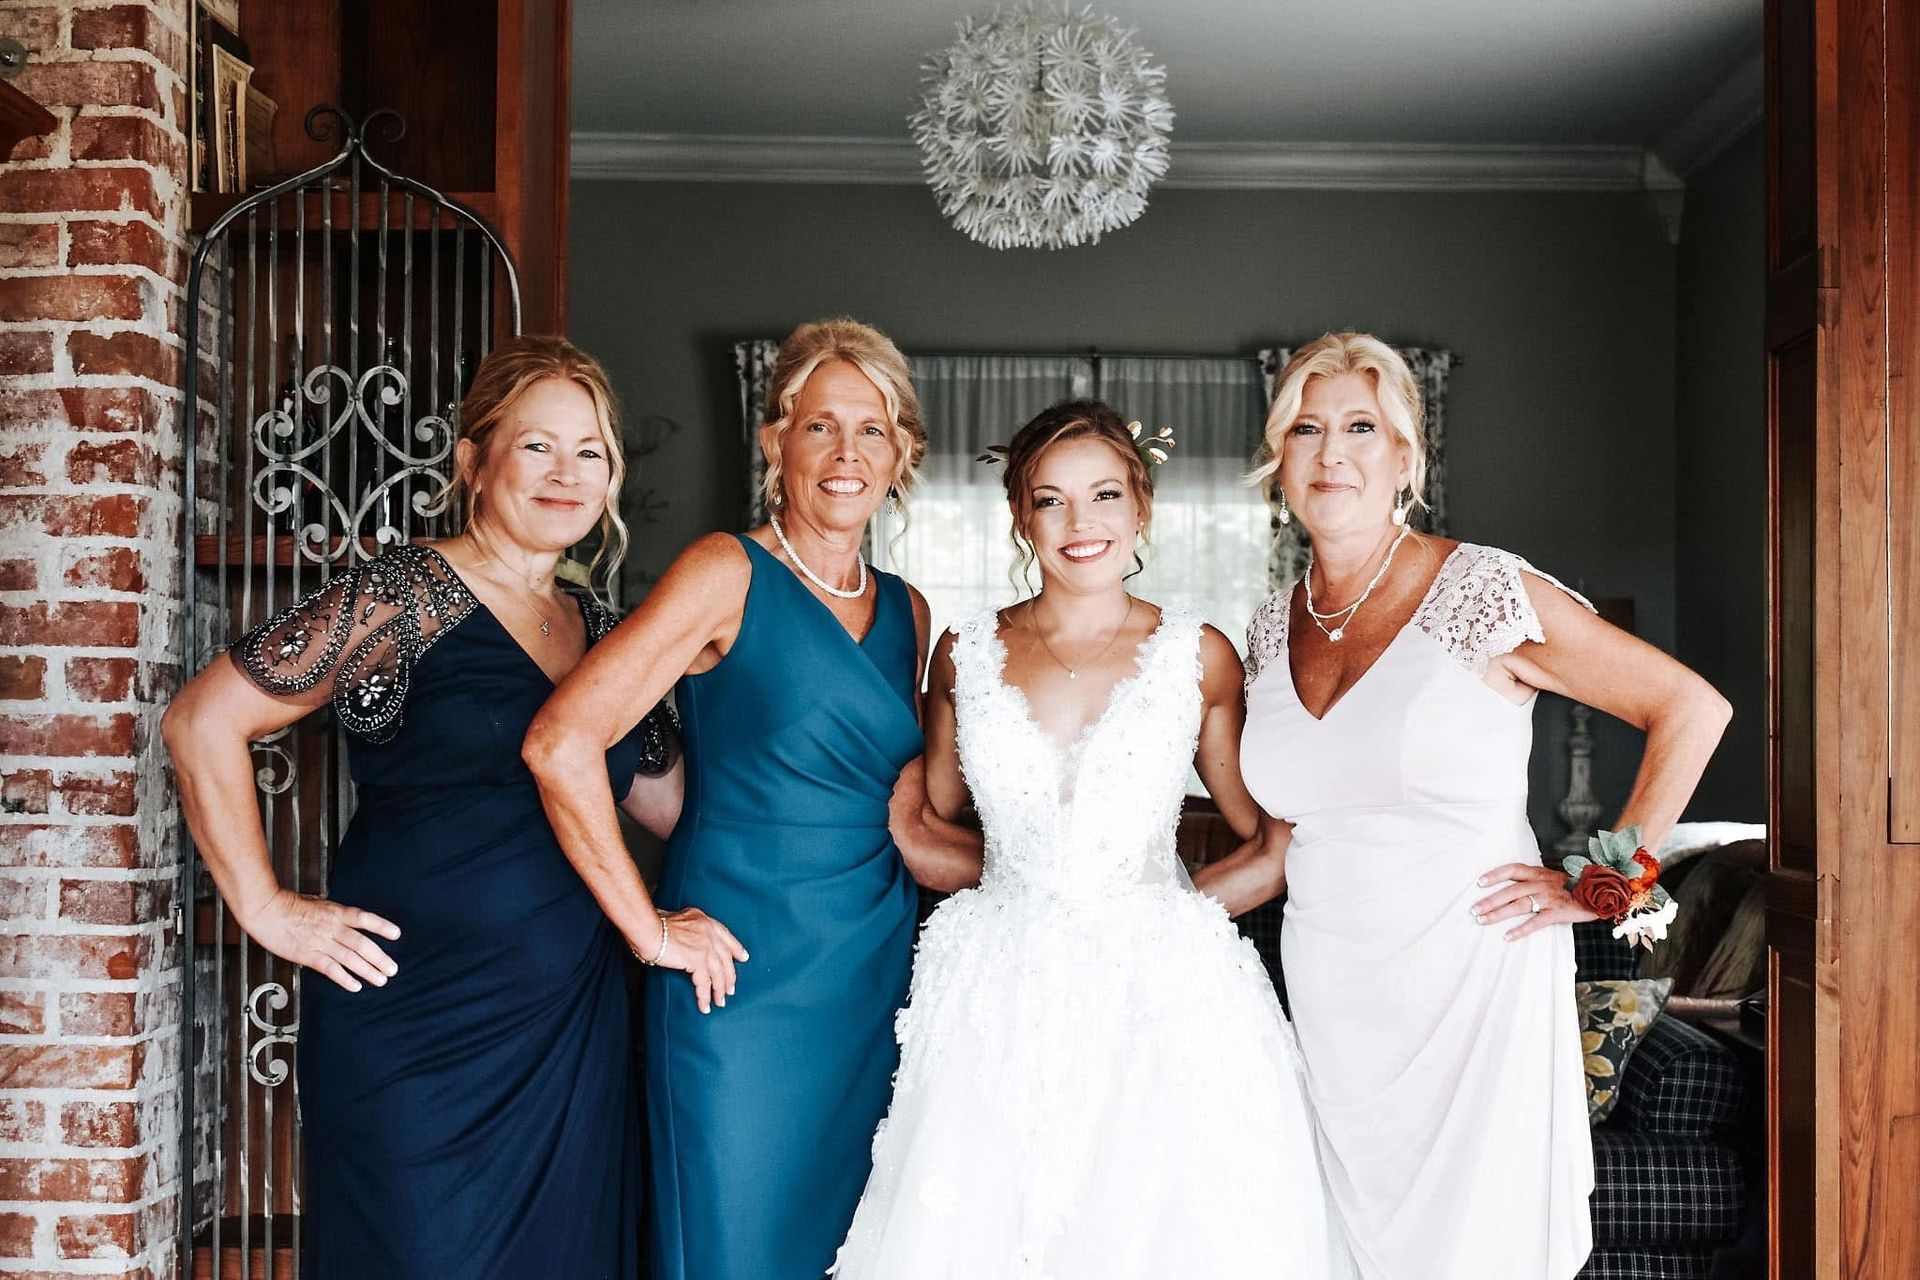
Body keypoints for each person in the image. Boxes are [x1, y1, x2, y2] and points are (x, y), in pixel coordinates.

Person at [1205, 331, 1732, 1280]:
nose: (1332, 454)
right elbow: (1283, 840)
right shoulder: (1265, 623)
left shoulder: (1481, 589)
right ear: (1279, 457)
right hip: (1332, 998)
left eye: (1361, 428)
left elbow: (1689, 707)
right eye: (1307, 430)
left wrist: (1609, 884)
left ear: (1405, 457)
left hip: (1472, 981)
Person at [162, 336, 680, 1278]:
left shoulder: (606, 629)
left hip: (570, 1025)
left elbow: (666, 804)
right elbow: (202, 723)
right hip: (414, 1026)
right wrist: (267, 908)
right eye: (537, 447)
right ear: (474, 461)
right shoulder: (401, 596)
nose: (566, 474)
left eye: (590, 453)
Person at [831, 401, 1353, 1279]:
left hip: (1164, 992)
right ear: (1019, 516)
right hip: (998, 989)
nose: (1082, 524)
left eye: (1106, 495)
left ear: (1140, 508)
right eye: (1052, 500)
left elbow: (1264, 838)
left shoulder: (1200, 653)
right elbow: (935, 820)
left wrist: (1171, 914)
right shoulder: (963, 652)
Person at [523, 318, 979, 1280]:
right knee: (731, 1243)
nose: (846, 454)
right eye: (821, 426)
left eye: (873, 429)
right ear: (776, 442)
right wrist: (647, 928)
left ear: (902, 455)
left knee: (854, 1248)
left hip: (871, 975)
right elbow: (563, 742)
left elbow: (915, 801)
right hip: (736, 976)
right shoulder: (725, 571)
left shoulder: (911, 610)